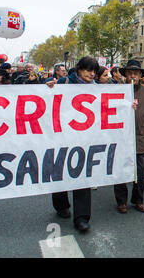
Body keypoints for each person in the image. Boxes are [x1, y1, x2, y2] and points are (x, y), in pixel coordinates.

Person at [50, 56, 99, 232]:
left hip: (85, 139)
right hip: (62, 137)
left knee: (82, 175)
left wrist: (127, 105)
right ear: (78, 69)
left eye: (94, 71)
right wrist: (48, 90)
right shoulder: (63, 83)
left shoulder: (97, 88)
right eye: (88, 70)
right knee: (61, 172)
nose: (92, 74)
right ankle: (61, 205)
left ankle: (82, 217)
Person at [114, 60, 144, 214]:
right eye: (129, 72)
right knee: (121, 170)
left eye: (135, 73)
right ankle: (121, 201)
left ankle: (138, 200)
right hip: (121, 137)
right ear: (125, 75)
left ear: (140, 75)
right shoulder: (117, 91)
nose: (132, 75)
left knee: (142, 171)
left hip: (141, 137)